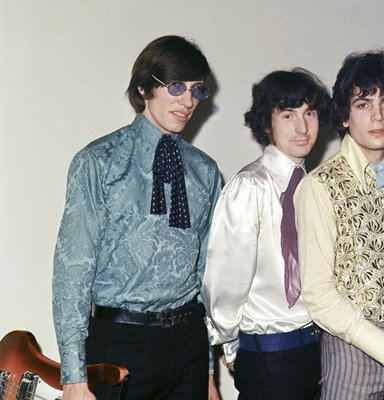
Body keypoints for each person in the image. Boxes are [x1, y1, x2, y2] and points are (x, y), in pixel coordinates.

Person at [52, 35, 221, 400]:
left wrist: (208, 368)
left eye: (197, 90)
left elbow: (206, 275)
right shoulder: (99, 162)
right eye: (176, 86)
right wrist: (73, 377)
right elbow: (72, 270)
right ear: (144, 87)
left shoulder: (205, 171)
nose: (188, 101)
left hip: (188, 342)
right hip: (119, 343)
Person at [294, 50, 384, 399]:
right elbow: (319, 295)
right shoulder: (320, 185)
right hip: (354, 352)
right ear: (344, 116)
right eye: (363, 104)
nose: (377, 116)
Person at [201, 68, 331, 400]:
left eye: (309, 113)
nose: (302, 127)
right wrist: (231, 345)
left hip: (319, 352)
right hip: (270, 359)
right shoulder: (250, 186)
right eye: (288, 115)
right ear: (266, 124)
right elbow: (225, 282)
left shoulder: (316, 187)